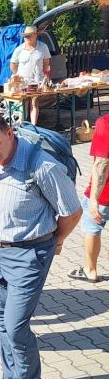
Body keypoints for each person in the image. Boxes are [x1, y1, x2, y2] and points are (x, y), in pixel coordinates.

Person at [0, 111, 81, 379]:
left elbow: (71, 211)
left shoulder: (42, 166)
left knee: (16, 327)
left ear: (10, 132)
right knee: (2, 321)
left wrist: (56, 241)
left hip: (29, 253)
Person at [69, 112, 109, 283]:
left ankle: (90, 270)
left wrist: (94, 198)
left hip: (104, 193)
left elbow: (102, 163)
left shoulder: (105, 123)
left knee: (92, 228)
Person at [10, 25, 51, 125]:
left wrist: (47, 77)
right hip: (23, 82)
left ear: (35, 35)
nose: (26, 38)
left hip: (38, 81)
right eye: (25, 36)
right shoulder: (19, 49)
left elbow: (47, 64)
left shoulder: (43, 47)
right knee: (23, 103)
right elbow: (13, 64)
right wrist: (17, 75)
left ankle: (33, 126)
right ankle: (22, 125)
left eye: (29, 36)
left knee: (34, 102)